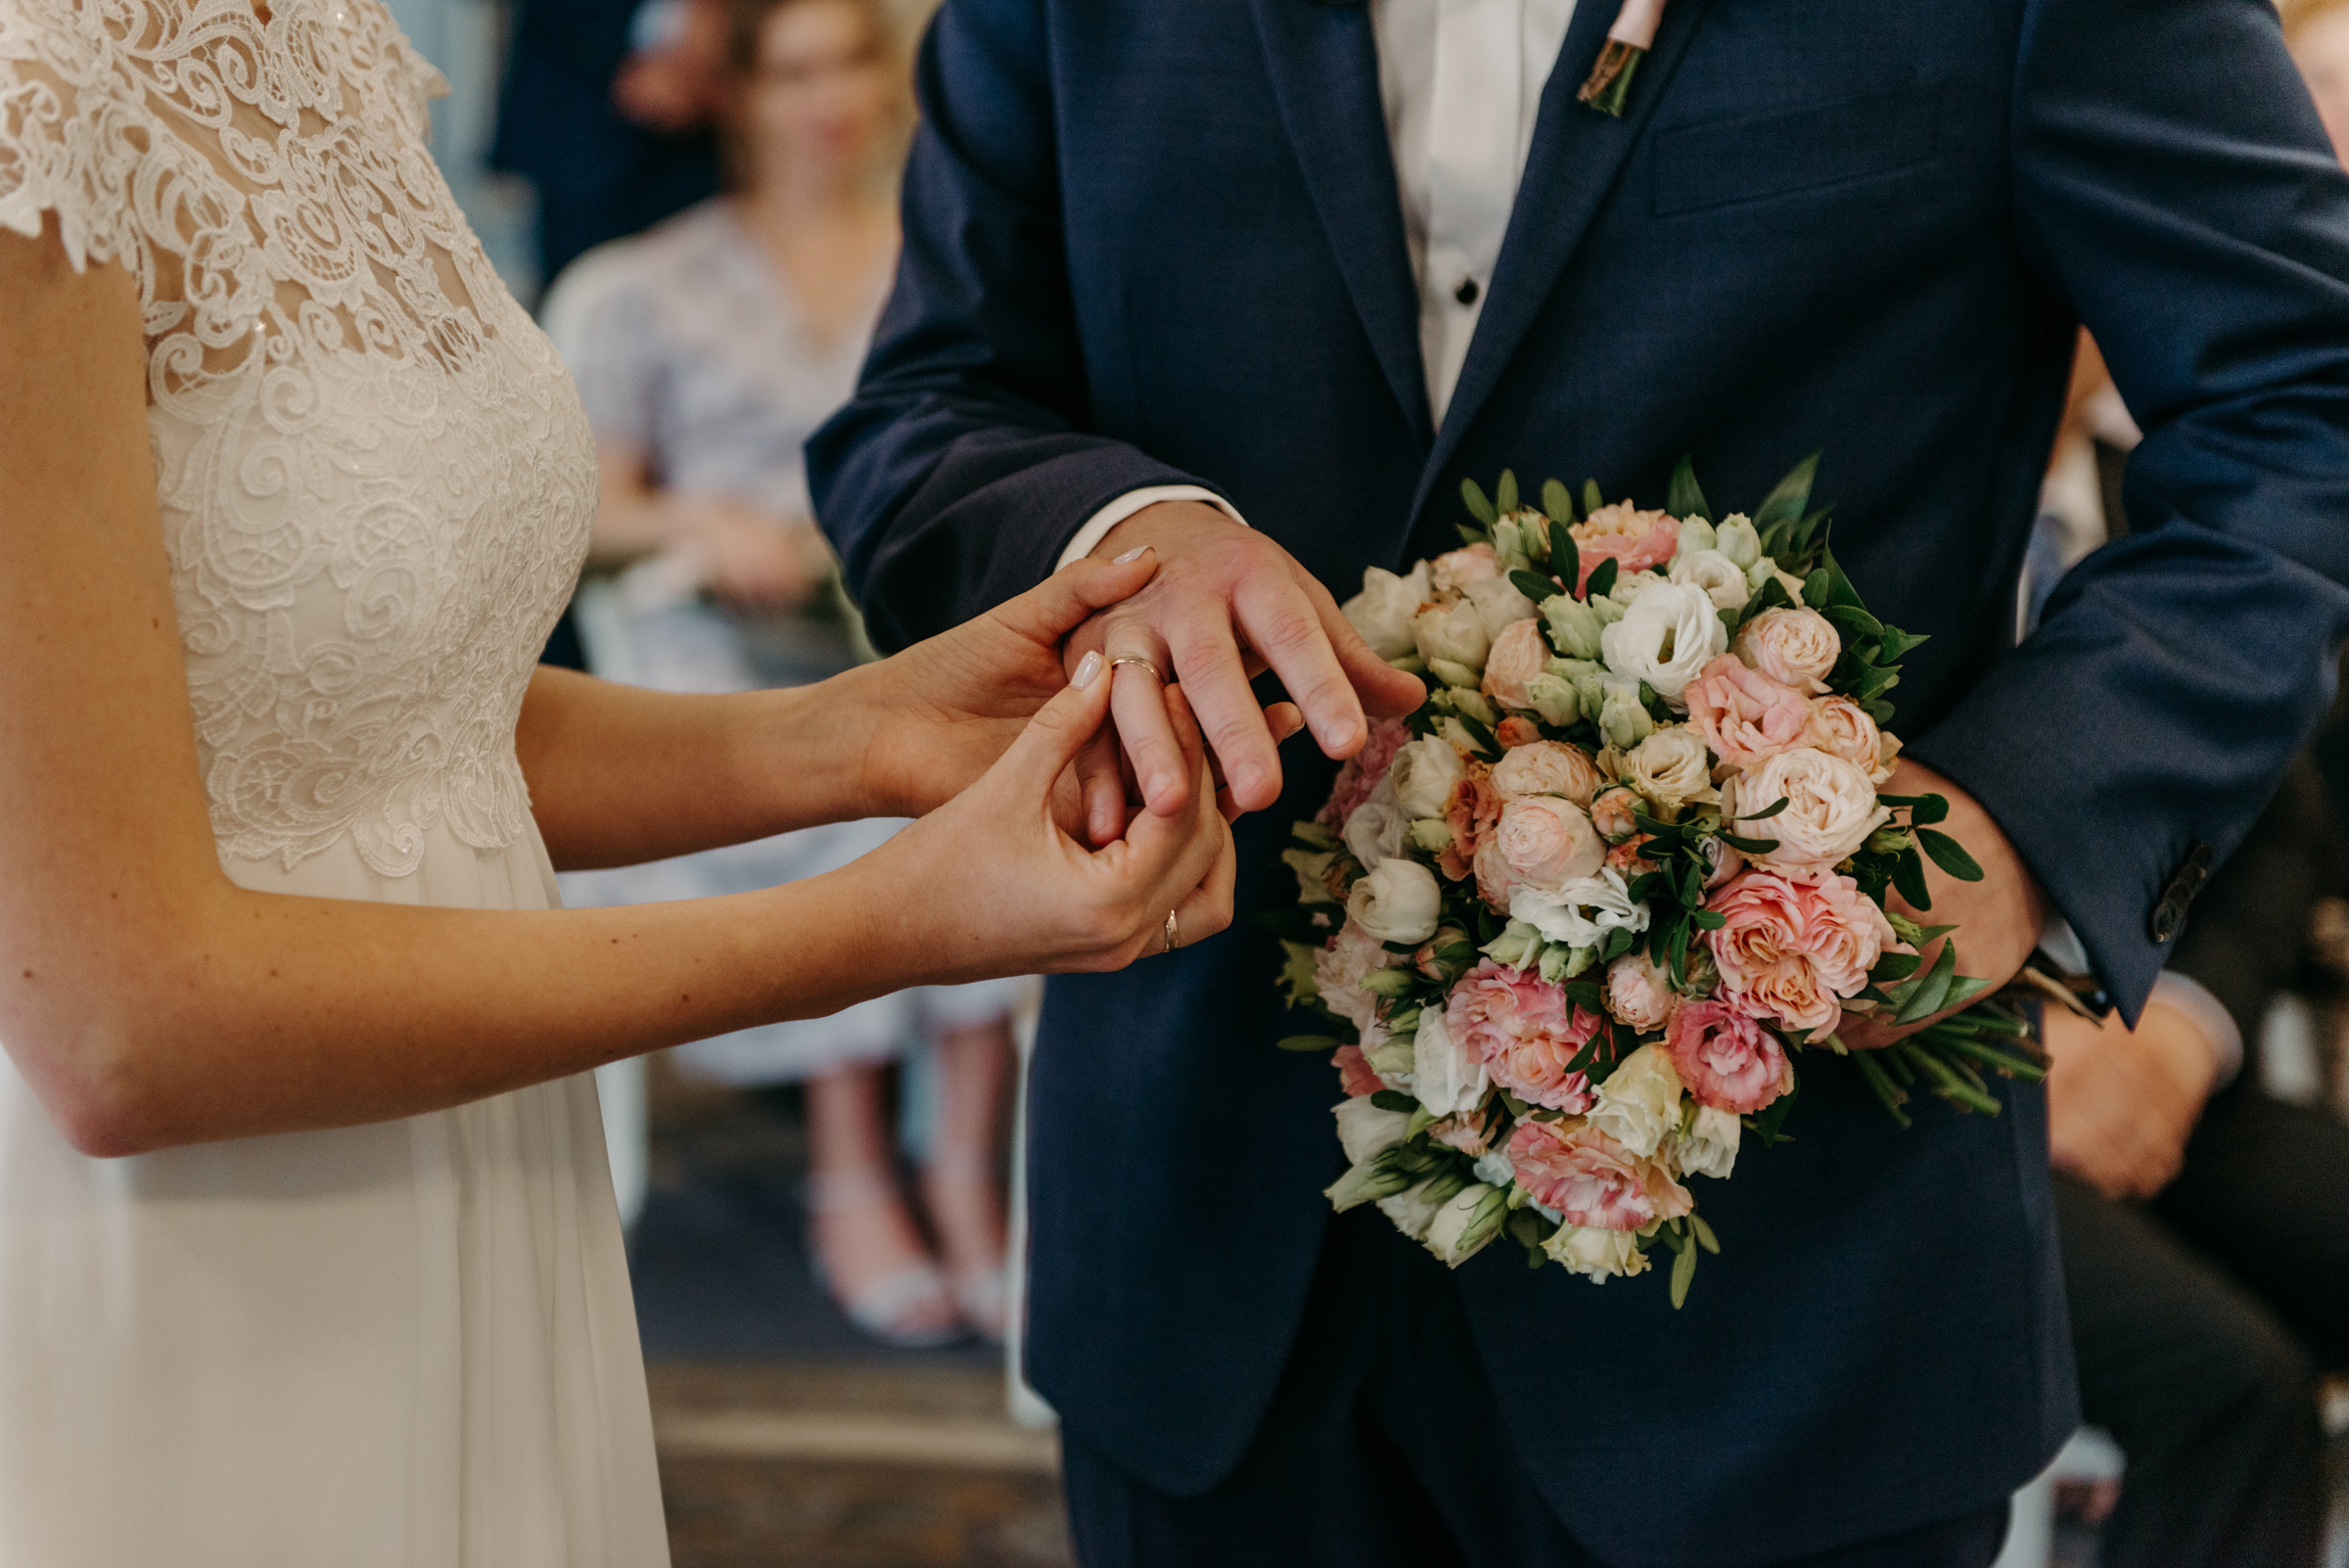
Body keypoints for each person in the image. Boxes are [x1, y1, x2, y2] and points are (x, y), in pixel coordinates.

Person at [809, 2, 2349, 1565]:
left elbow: (2304, 397)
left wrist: (2026, 819)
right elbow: (927, 407)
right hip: (1202, 1216)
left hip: (1790, 1283)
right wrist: (1126, 539)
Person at [0, 1, 1241, 1562]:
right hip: (196, 1266)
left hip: (475, 1166)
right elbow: (120, 1021)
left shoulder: (317, 35)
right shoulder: (24, 102)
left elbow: (380, 710)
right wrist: (886, 922)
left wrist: (863, 734)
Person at [545, 0, 1013, 1347]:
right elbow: (587, 504)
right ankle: (853, 1169)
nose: (826, 98)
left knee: (983, 769)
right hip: (736, 660)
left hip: (910, 632)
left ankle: (966, 1176)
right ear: (741, 96)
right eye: (792, 70)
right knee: (812, 791)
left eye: (852, 61)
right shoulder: (649, 284)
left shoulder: (948, 265)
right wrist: (701, 522)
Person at [2045, 762, 2349, 1568]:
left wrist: (2183, 1029)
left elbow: (2277, 813)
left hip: (2156, 1050)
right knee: (2226, 1386)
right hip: (1912, 1101)